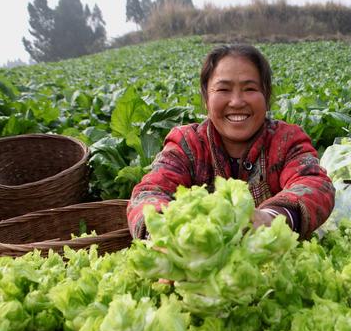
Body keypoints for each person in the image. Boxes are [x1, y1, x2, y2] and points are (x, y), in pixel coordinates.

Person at [127, 44, 335, 240]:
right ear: (206, 99)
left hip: (273, 266)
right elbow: (149, 192)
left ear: (266, 96)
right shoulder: (187, 144)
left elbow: (314, 184)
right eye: (223, 90)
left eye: (250, 89)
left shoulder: (286, 140)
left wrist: (273, 218)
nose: (236, 102)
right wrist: (164, 233)